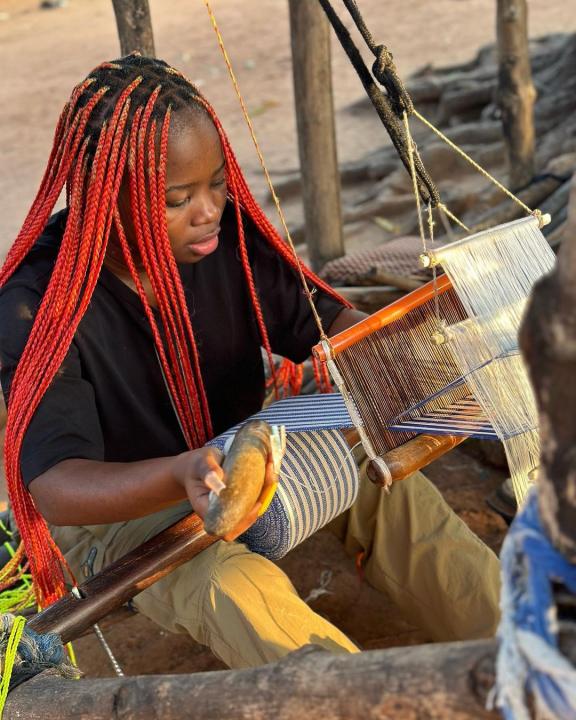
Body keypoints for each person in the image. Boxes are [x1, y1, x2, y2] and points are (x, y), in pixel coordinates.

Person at [0, 54, 500, 668]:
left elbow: (324, 322)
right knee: (230, 586)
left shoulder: (225, 236)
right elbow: (57, 489)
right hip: (127, 509)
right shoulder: (37, 306)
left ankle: (528, 654)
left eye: (217, 182)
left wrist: (404, 348)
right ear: (103, 201)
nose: (209, 209)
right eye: (177, 197)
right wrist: (182, 474)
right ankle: (360, 700)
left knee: (393, 490)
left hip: (253, 454)